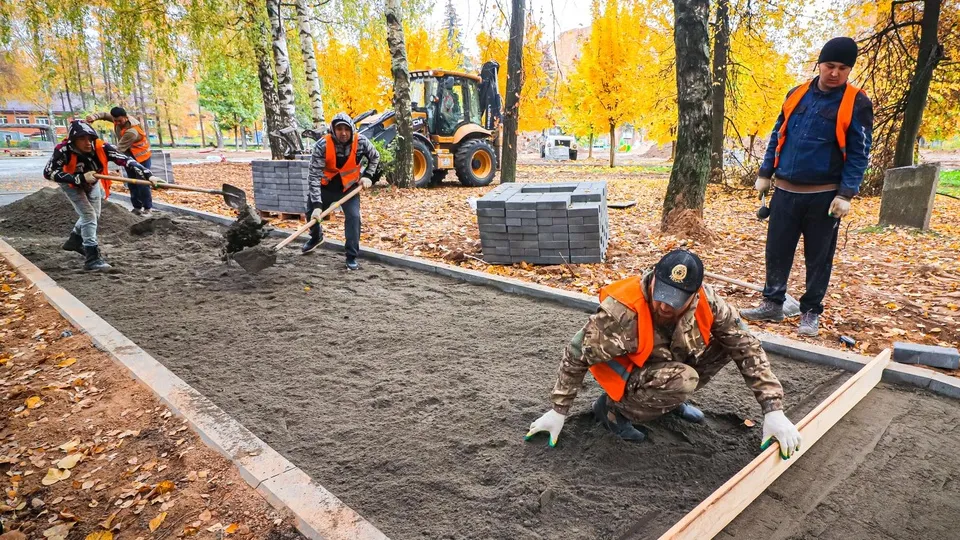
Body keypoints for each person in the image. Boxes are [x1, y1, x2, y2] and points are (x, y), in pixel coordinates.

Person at [525, 250, 802, 459]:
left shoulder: (709, 301)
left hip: (668, 364)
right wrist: (558, 410)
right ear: (655, 276)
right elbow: (576, 352)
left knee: (728, 343)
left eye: (676, 299)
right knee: (683, 379)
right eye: (662, 292)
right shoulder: (620, 311)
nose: (664, 305)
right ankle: (611, 410)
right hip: (628, 380)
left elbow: (747, 345)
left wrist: (773, 410)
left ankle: (667, 401)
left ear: (694, 295)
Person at [743, 37, 874, 337]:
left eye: (843, 68)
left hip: (824, 197)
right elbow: (778, 133)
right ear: (819, 64)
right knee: (777, 249)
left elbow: (859, 152)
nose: (835, 73)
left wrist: (846, 193)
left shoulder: (856, 102)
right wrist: (766, 172)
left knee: (818, 257)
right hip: (786, 192)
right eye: (830, 66)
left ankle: (811, 311)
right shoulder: (797, 93)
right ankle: (772, 302)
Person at [43, 120, 154, 271]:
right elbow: (49, 172)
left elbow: (126, 160)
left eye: (90, 138)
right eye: (82, 139)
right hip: (71, 183)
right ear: (73, 140)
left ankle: (75, 240)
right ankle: (92, 259)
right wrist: (79, 178)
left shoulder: (102, 147)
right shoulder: (63, 150)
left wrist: (149, 176)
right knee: (89, 216)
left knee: (95, 214)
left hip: (93, 182)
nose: (88, 143)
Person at [303, 112, 380, 270]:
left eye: (346, 129)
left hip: (349, 188)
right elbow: (313, 176)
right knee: (311, 211)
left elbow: (375, 156)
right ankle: (316, 237)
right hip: (326, 187)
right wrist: (317, 204)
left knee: (353, 218)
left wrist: (368, 176)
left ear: (352, 129)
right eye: (339, 129)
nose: (343, 133)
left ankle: (351, 256)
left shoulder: (361, 142)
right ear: (333, 130)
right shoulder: (322, 145)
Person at [86, 107, 155, 216]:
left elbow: (118, 150)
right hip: (128, 155)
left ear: (126, 118)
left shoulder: (132, 132)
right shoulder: (117, 120)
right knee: (131, 182)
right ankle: (137, 207)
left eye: (120, 121)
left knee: (142, 183)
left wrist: (101, 154)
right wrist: (93, 117)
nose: (117, 123)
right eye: (115, 120)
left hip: (141, 158)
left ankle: (148, 209)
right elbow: (104, 114)